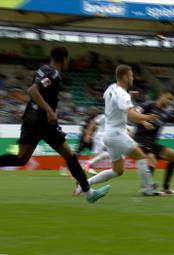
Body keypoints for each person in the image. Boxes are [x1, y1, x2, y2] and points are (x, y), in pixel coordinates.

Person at [0, 46, 110, 203]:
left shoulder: (43, 69)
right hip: (43, 121)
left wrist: (51, 109)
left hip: (30, 119)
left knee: (21, 159)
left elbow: (38, 92)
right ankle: (89, 193)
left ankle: (88, 191)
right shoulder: (54, 74)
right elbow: (32, 90)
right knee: (70, 156)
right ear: (64, 59)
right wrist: (50, 111)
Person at [74, 65, 159, 196]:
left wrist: (132, 105)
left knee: (117, 171)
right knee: (141, 157)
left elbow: (117, 105)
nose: (132, 78)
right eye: (131, 75)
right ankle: (148, 189)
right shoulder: (122, 94)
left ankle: (84, 184)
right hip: (117, 134)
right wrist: (147, 117)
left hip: (109, 134)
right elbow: (131, 115)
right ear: (125, 77)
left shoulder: (111, 88)